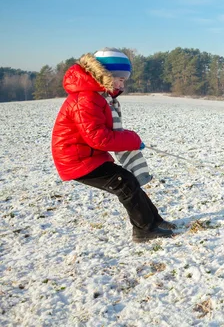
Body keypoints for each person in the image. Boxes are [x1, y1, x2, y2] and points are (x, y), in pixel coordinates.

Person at [51, 48, 175, 243]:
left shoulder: (97, 96)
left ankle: (154, 220)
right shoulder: (86, 99)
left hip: (89, 155)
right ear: (106, 76)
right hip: (76, 159)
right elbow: (98, 138)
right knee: (124, 183)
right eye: (121, 79)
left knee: (129, 180)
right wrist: (132, 140)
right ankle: (144, 230)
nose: (122, 85)